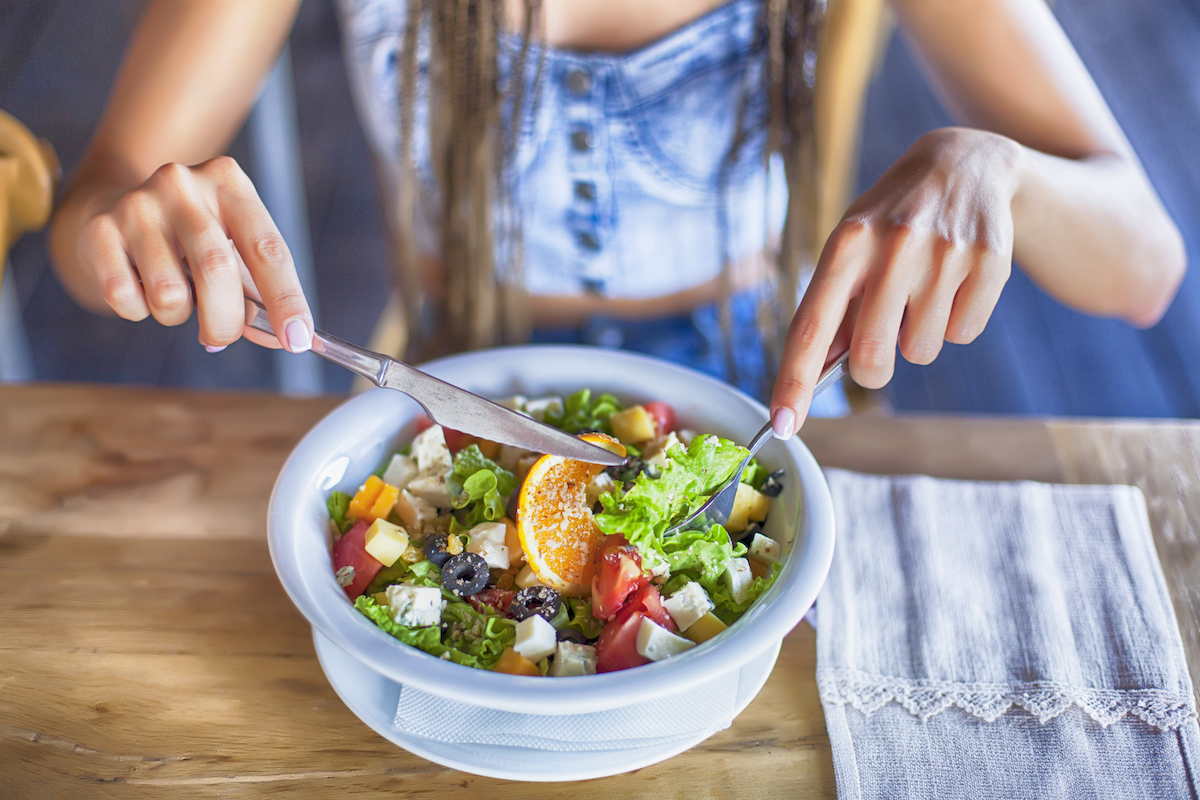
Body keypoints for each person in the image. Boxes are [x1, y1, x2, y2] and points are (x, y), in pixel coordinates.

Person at [48, 0, 1185, 439]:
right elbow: (97, 197)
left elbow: (1144, 263)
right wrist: (123, 228)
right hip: (458, 392)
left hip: (766, 409)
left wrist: (1000, 172)